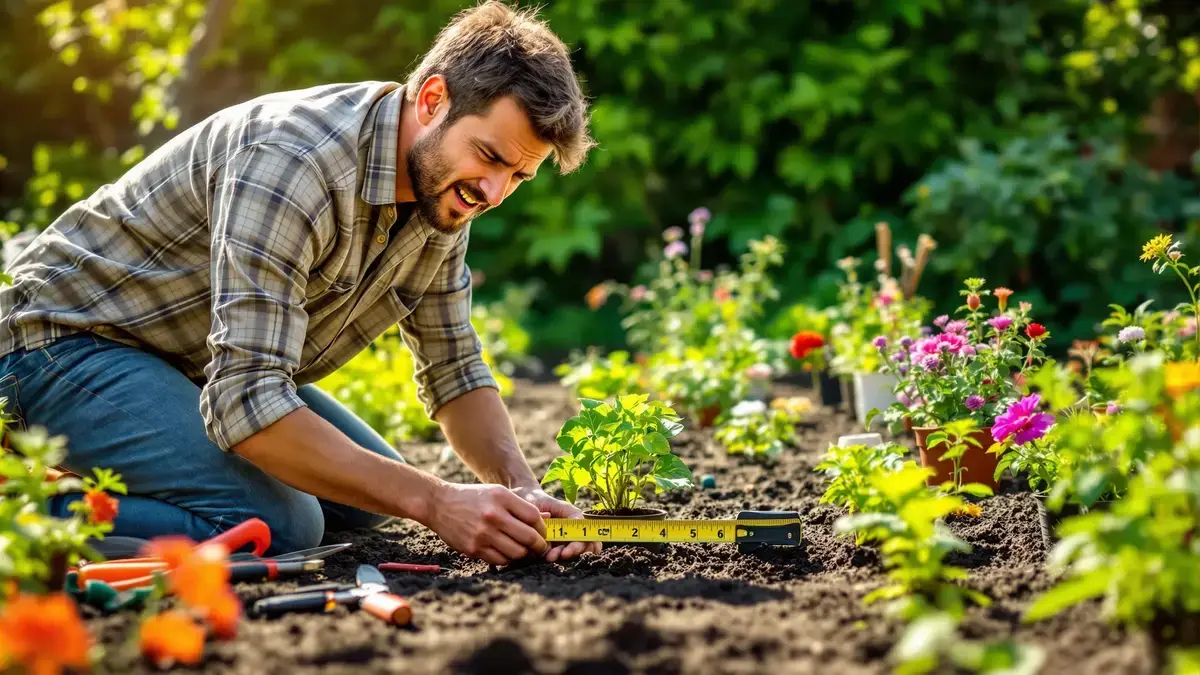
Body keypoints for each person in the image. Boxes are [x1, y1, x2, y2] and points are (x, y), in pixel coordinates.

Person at [0, 1, 601, 565]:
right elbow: (246, 402)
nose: (494, 193)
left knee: (360, 502)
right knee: (282, 523)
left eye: (519, 176)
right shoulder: (294, 161)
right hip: (54, 345)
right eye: (491, 157)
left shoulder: (444, 190)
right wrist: (437, 501)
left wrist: (522, 490)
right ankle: (23, 519)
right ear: (433, 99)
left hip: (175, 361)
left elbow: (454, 369)